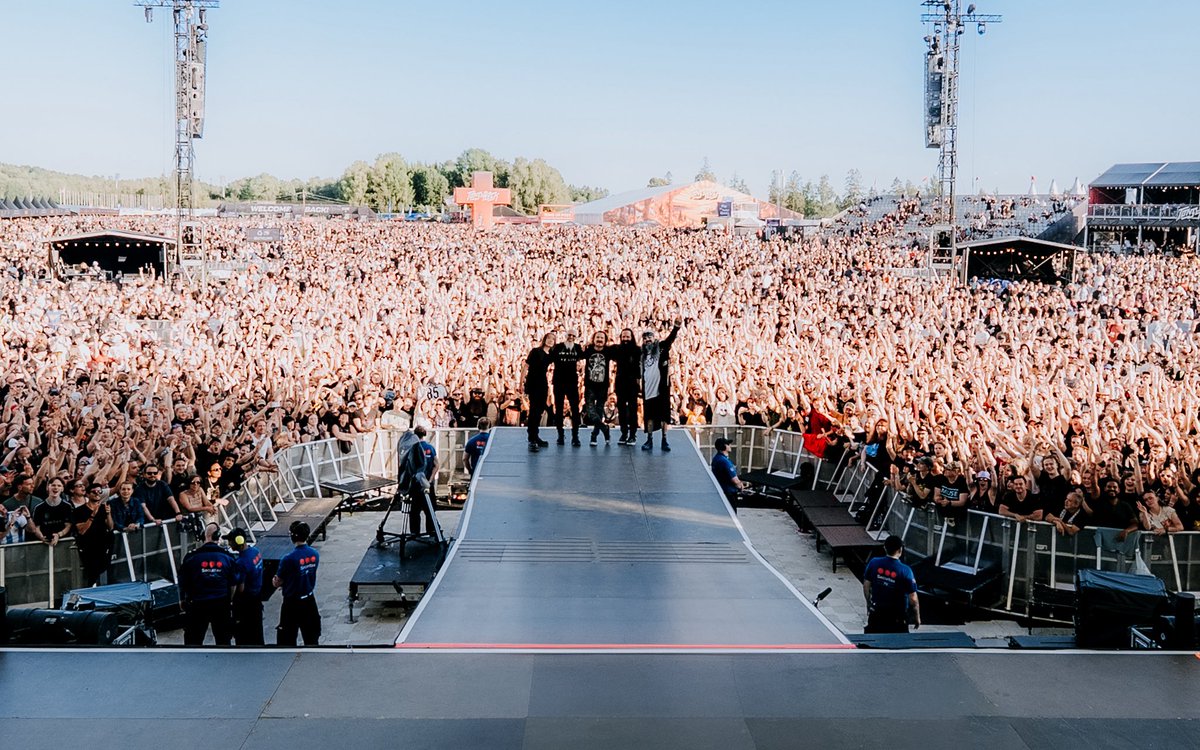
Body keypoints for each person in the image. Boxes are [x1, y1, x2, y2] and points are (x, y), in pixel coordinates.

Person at [179, 522, 241, 646]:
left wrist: (182, 600)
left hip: (197, 605)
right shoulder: (227, 557)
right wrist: (229, 600)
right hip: (221, 603)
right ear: (218, 536)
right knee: (223, 640)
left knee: (193, 641)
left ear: (204, 535)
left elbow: (183, 583)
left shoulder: (191, 557)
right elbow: (233, 584)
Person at [273, 520, 321, 646]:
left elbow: (278, 582)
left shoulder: (288, 559)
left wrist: (276, 581)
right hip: (309, 601)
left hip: (292, 603)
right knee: (312, 638)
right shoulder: (314, 554)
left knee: (287, 639)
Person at [862, 535, 920, 634]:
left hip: (877, 612)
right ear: (900, 550)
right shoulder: (905, 570)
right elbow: (913, 599)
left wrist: (868, 603)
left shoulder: (874, 563)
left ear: (885, 548)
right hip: (897, 616)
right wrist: (917, 617)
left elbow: (866, 585)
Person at [640, 318, 682, 452]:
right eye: (645, 338)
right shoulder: (641, 354)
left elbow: (670, 339)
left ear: (654, 338)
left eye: (650, 337)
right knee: (649, 417)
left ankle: (664, 440)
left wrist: (676, 327)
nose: (648, 340)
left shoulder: (662, 347)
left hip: (661, 389)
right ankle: (650, 439)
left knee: (664, 416)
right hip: (648, 389)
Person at [225, 527, 265, 646]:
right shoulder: (255, 551)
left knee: (244, 636)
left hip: (246, 604)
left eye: (230, 541)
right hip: (257, 598)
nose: (229, 544)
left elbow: (240, 588)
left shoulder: (241, 562)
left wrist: (230, 600)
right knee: (257, 632)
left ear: (238, 542)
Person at [72, 483, 115, 585]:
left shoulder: (104, 508)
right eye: (94, 492)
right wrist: (92, 516)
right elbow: (81, 530)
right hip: (88, 547)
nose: (97, 494)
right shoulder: (79, 511)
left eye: (100, 492)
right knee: (90, 574)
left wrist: (108, 514)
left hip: (102, 545)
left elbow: (110, 527)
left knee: (102, 570)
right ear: (87, 494)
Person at [395, 428, 434, 538]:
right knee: (429, 511)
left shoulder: (408, 447)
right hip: (422, 484)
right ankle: (431, 532)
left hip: (414, 484)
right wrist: (430, 481)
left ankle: (414, 533)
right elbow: (436, 464)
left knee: (414, 511)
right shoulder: (428, 447)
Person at [521, 332, 555, 451]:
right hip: (533, 382)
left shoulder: (551, 355)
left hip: (543, 383)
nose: (550, 341)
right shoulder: (535, 351)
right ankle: (532, 438)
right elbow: (525, 367)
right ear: (544, 339)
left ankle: (536, 435)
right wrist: (521, 383)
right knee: (534, 410)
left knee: (540, 410)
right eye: (549, 338)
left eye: (553, 339)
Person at [550, 330, 585, 446]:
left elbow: (585, 356)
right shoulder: (558, 347)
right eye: (569, 335)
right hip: (559, 382)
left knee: (575, 410)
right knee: (559, 409)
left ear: (576, 337)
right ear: (566, 336)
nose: (571, 337)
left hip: (572, 383)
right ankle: (560, 435)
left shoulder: (577, 348)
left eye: (573, 336)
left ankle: (575, 436)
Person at [582, 331, 616, 446]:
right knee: (591, 412)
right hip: (590, 386)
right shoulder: (588, 350)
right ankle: (604, 428)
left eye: (602, 338)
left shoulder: (608, 351)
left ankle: (594, 435)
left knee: (599, 410)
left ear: (605, 340)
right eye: (597, 337)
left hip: (602, 386)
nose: (600, 339)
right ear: (593, 339)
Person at [611, 328, 641, 445]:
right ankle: (624, 433)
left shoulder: (638, 350)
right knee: (622, 410)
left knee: (633, 410)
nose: (625, 339)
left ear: (632, 337)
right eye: (623, 337)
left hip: (632, 384)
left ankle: (633, 435)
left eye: (628, 337)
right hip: (620, 383)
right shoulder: (617, 349)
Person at [710, 437, 745, 509]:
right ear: (724, 446)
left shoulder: (716, 458)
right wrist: (740, 485)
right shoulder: (724, 461)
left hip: (722, 490)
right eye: (728, 444)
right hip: (729, 492)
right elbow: (735, 480)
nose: (730, 446)